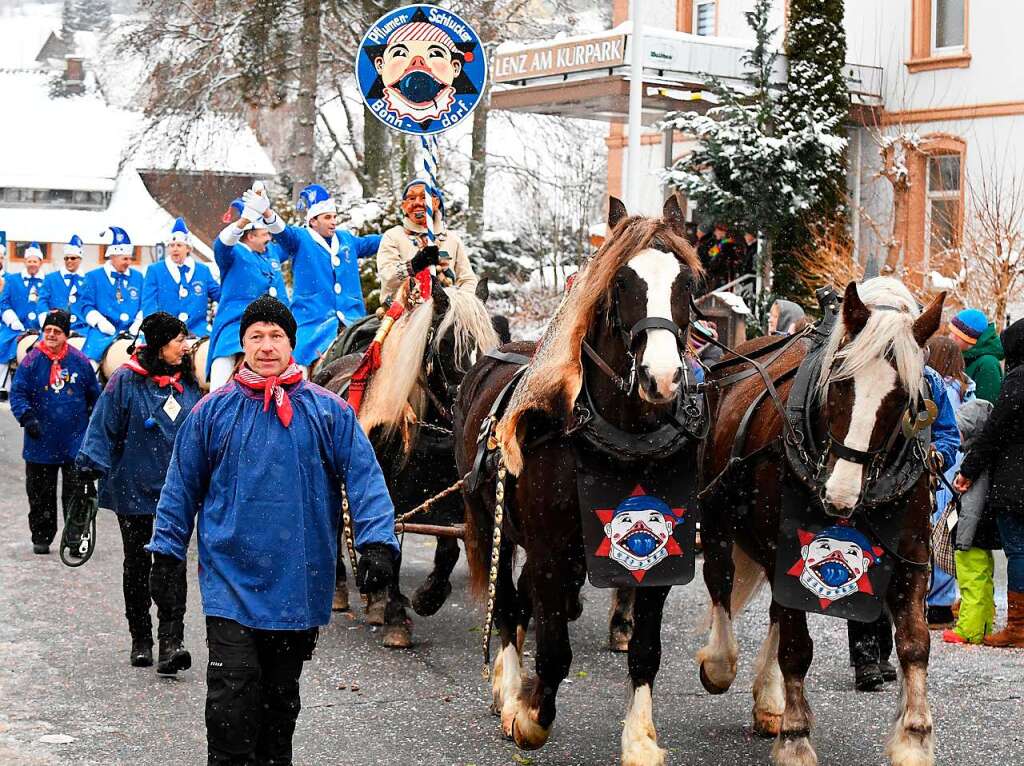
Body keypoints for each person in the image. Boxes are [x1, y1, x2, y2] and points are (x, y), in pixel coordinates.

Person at [148, 295, 398, 764]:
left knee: (280, 701)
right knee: (231, 700)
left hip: (297, 581)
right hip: (230, 581)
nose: (266, 346)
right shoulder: (211, 411)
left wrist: (377, 543)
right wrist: (166, 553)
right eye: (256, 336)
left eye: (276, 336)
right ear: (242, 343)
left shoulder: (328, 411)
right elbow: (180, 486)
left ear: (291, 343)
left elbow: (365, 478)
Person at [76, 312, 202, 672]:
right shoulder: (125, 381)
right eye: (179, 340)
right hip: (133, 491)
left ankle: (171, 642)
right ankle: (141, 639)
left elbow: (203, 430)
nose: (186, 346)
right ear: (161, 344)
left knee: (173, 566)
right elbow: (102, 425)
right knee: (137, 566)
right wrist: (88, 467)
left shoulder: (189, 382)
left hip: (175, 495)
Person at [847, 363, 959, 691]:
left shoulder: (929, 380)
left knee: (905, 574)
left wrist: (939, 454)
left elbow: (948, 433)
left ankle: (887, 652)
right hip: (869, 490)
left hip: (913, 497)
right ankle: (866, 657)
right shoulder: (869, 371)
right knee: (863, 568)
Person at [253, 183, 381, 371]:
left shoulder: (346, 238)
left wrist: (403, 234)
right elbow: (283, 232)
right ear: (313, 220)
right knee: (298, 373)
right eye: (327, 217)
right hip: (313, 323)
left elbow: (373, 242)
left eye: (335, 217)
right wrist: (267, 213)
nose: (333, 222)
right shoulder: (299, 239)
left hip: (354, 322)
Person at [954, 317, 1024, 648]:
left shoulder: (1017, 380)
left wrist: (967, 470)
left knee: (1018, 551)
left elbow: (993, 432)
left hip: (1015, 480)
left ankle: (1018, 624)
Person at [9, 310, 99, 554]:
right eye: (47, 330)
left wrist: (91, 427)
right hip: (40, 441)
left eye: (56, 331)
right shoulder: (31, 360)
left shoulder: (80, 361)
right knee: (40, 494)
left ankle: (73, 539)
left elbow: (94, 395)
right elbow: (18, 394)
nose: (50, 335)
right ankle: (42, 535)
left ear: (65, 336)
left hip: (73, 441)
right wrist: (27, 418)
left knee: (76, 496)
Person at [207, 198, 289, 390]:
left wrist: (267, 213)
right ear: (250, 236)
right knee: (224, 361)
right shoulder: (232, 254)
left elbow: (291, 240)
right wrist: (243, 221)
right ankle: (215, 402)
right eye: (264, 234)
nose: (269, 238)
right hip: (237, 324)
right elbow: (221, 244)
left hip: (277, 324)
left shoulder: (271, 253)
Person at [924, 336, 976, 627]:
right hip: (955, 473)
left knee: (934, 537)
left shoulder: (938, 390)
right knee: (948, 536)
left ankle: (933, 603)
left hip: (938, 471)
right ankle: (943, 602)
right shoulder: (966, 390)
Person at [943, 399, 1001, 644]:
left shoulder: (974, 464)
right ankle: (984, 623)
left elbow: (971, 507)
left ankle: (969, 629)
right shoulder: (992, 457)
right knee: (984, 578)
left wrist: (962, 539)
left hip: (971, 532)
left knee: (971, 579)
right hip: (984, 529)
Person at [376, 180, 479, 305]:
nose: (417, 203)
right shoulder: (393, 236)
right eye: (411, 198)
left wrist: (462, 303)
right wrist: (415, 264)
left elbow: (467, 279)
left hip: (447, 311)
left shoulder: (452, 239)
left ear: (436, 203)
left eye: (424, 197)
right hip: (403, 312)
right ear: (404, 206)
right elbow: (387, 276)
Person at [78, 226, 144, 368]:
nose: (128, 262)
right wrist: (99, 322)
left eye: (129, 258)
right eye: (124, 258)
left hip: (133, 331)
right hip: (104, 331)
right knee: (90, 360)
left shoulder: (138, 277)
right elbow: (85, 305)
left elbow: (145, 303)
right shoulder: (93, 277)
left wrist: (139, 323)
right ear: (112, 256)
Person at [142, 218, 221, 337]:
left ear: (188, 248)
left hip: (197, 331)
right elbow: (149, 302)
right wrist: (155, 328)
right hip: (165, 332)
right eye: (172, 245)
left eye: (179, 245)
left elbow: (219, 294)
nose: (174, 248)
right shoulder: (155, 270)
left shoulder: (202, 270)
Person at [0, 242, 48, 370]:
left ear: (40, 262)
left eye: (35, 261)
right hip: (14, 328)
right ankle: (3, 385)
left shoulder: (48, 281)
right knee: (2, 346)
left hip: (40, 329)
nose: (32, 263)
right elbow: (3, 303)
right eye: (29, 260)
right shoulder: (12, 280)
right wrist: (13, 321)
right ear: (25, 262)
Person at [948, 308, 1004, 403]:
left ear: (969, 339)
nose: (950, 337)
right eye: (951, 332)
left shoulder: (988, 364)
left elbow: (985, 409)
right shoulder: (962, 356)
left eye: (956, 335)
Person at [41, 235, 88, 335]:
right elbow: (42, 300)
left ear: (80, 259)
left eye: (72, 258)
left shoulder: (87, 280)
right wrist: (46, 317)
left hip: (82, 328)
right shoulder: (51, 278)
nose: (69, 261)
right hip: (56, 327)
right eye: (66, 258)